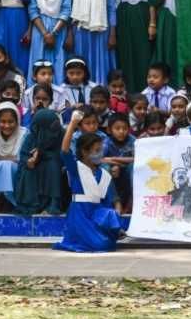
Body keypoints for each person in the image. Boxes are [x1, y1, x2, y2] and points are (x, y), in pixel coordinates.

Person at [53, 110, 123, 252]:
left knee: (108, 244)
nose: (100, 154)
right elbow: (65, 151)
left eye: (101, 150)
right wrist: (73, 123)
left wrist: (116, 218)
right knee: (101, 245)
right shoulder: (77, 168)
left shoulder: (104, 174)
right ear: (85, 152)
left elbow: (114, 201)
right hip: (79, 215)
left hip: (97, 215)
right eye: (96, 151)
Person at [27, 0, 73, 85]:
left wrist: (53, 33)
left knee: (58, 65)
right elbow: (33, 9)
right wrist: (45, 33)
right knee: (38, 64)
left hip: (59, 29)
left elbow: (66, 9)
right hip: (39, 29)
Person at [13, 108, 64, 216]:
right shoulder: (31, 137)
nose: (55, 130)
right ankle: (34, 205)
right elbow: (23, 158)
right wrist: (30, 161)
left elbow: (63, 155)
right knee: (27, 170)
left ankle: (53, 204)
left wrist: (41, 153)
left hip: (54, 167)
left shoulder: (61, 134)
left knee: (53, 165)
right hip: (35, 167)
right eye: (52, 127)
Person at [103, 113, 136, 213]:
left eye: (125, 128)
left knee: (133, 167)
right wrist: (115, 164)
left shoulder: (133, 140)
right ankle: (116, 202)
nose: (121, 132)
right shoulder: (106, 142)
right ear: (109, 130)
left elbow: (137, 159)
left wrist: (115, 161)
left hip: (127, 172)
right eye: (117, 128)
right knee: (104, 168)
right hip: (113, 173)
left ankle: (132, 202)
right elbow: (100, 159)